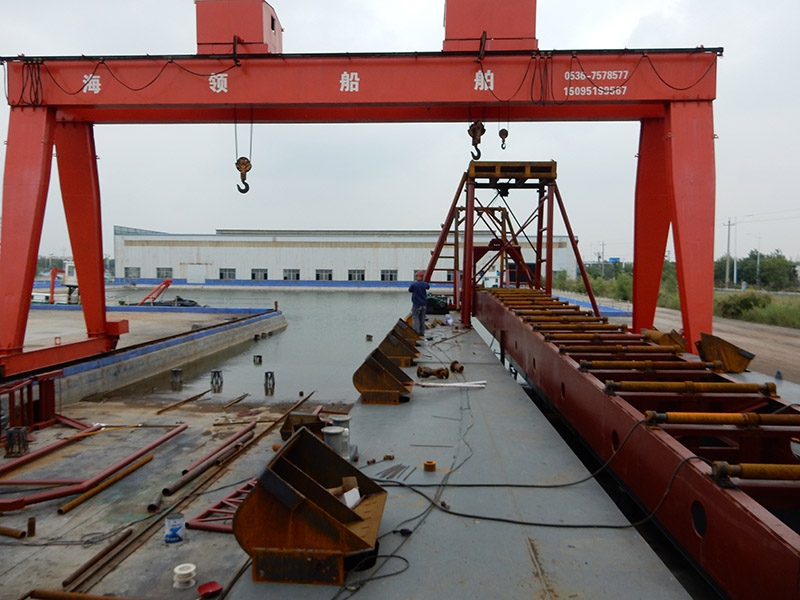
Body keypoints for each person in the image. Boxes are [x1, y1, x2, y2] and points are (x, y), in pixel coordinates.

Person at [408, 270, 430, 336]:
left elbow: (410, 290)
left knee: (415, 318)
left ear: (417, 277)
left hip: (416, 304)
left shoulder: (414, 285)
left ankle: (416, 333)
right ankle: (422, 333)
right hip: (424, 304)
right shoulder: (425, 284)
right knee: (422, 319)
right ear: (422, 277)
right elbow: (428, 287)